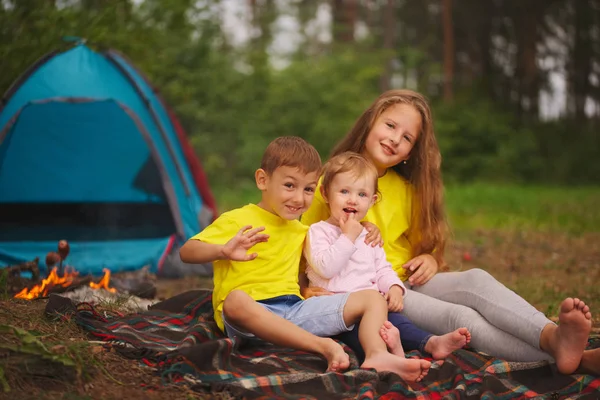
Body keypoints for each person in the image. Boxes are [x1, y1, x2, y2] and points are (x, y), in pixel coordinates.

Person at [300, 89, 597, 375]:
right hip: (375, 292)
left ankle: (551, 336)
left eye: (406, 137)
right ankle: (575, 358)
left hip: (404, 278)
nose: (394, 139)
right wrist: (303, 289)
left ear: (410, 153)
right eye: (389, 125)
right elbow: (302, 244)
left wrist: (429, 258)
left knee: (476, 279)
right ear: (369, 124)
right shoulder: (329, 184)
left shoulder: (407, 190)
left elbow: (421, 245)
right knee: (462, 318)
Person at [180, 136, 431, 381]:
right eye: (290, 185)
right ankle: (323, 346)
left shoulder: (304, 232)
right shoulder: (238, 219)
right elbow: (187, 251)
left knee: (373, 298)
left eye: (308, 189)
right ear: (262, 180)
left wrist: (366, 227)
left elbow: (308, 270)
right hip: (250, 316)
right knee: (235, 301)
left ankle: (377, 354)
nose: (299, 198)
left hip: (296, 311)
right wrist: (223, 250)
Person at [303, 151, 471, 363]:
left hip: (372, 307)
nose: (353, 200)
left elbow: (381, 268)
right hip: (338, 309)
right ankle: (387, 353)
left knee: (397, 322)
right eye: (344, 191)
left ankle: (430, 343)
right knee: (365, 333)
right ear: (325, 193)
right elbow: (325, 267)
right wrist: (347, 237)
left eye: (362, 195)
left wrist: (394, 287)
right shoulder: (318, 232)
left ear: (372, 200)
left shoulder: (368, 235)